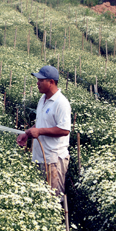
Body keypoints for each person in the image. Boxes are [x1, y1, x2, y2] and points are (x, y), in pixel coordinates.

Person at [16, 65, 71, 197]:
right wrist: (27, 134)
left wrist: (40, 131)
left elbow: (64, 130)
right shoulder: (43, 99)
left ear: (51, 82)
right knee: (41, 197)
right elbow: (41, 123)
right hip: (40, 157)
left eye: (41, 80)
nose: (37, 83)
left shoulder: (61, 102)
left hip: (53, 160)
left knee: (54, 199)